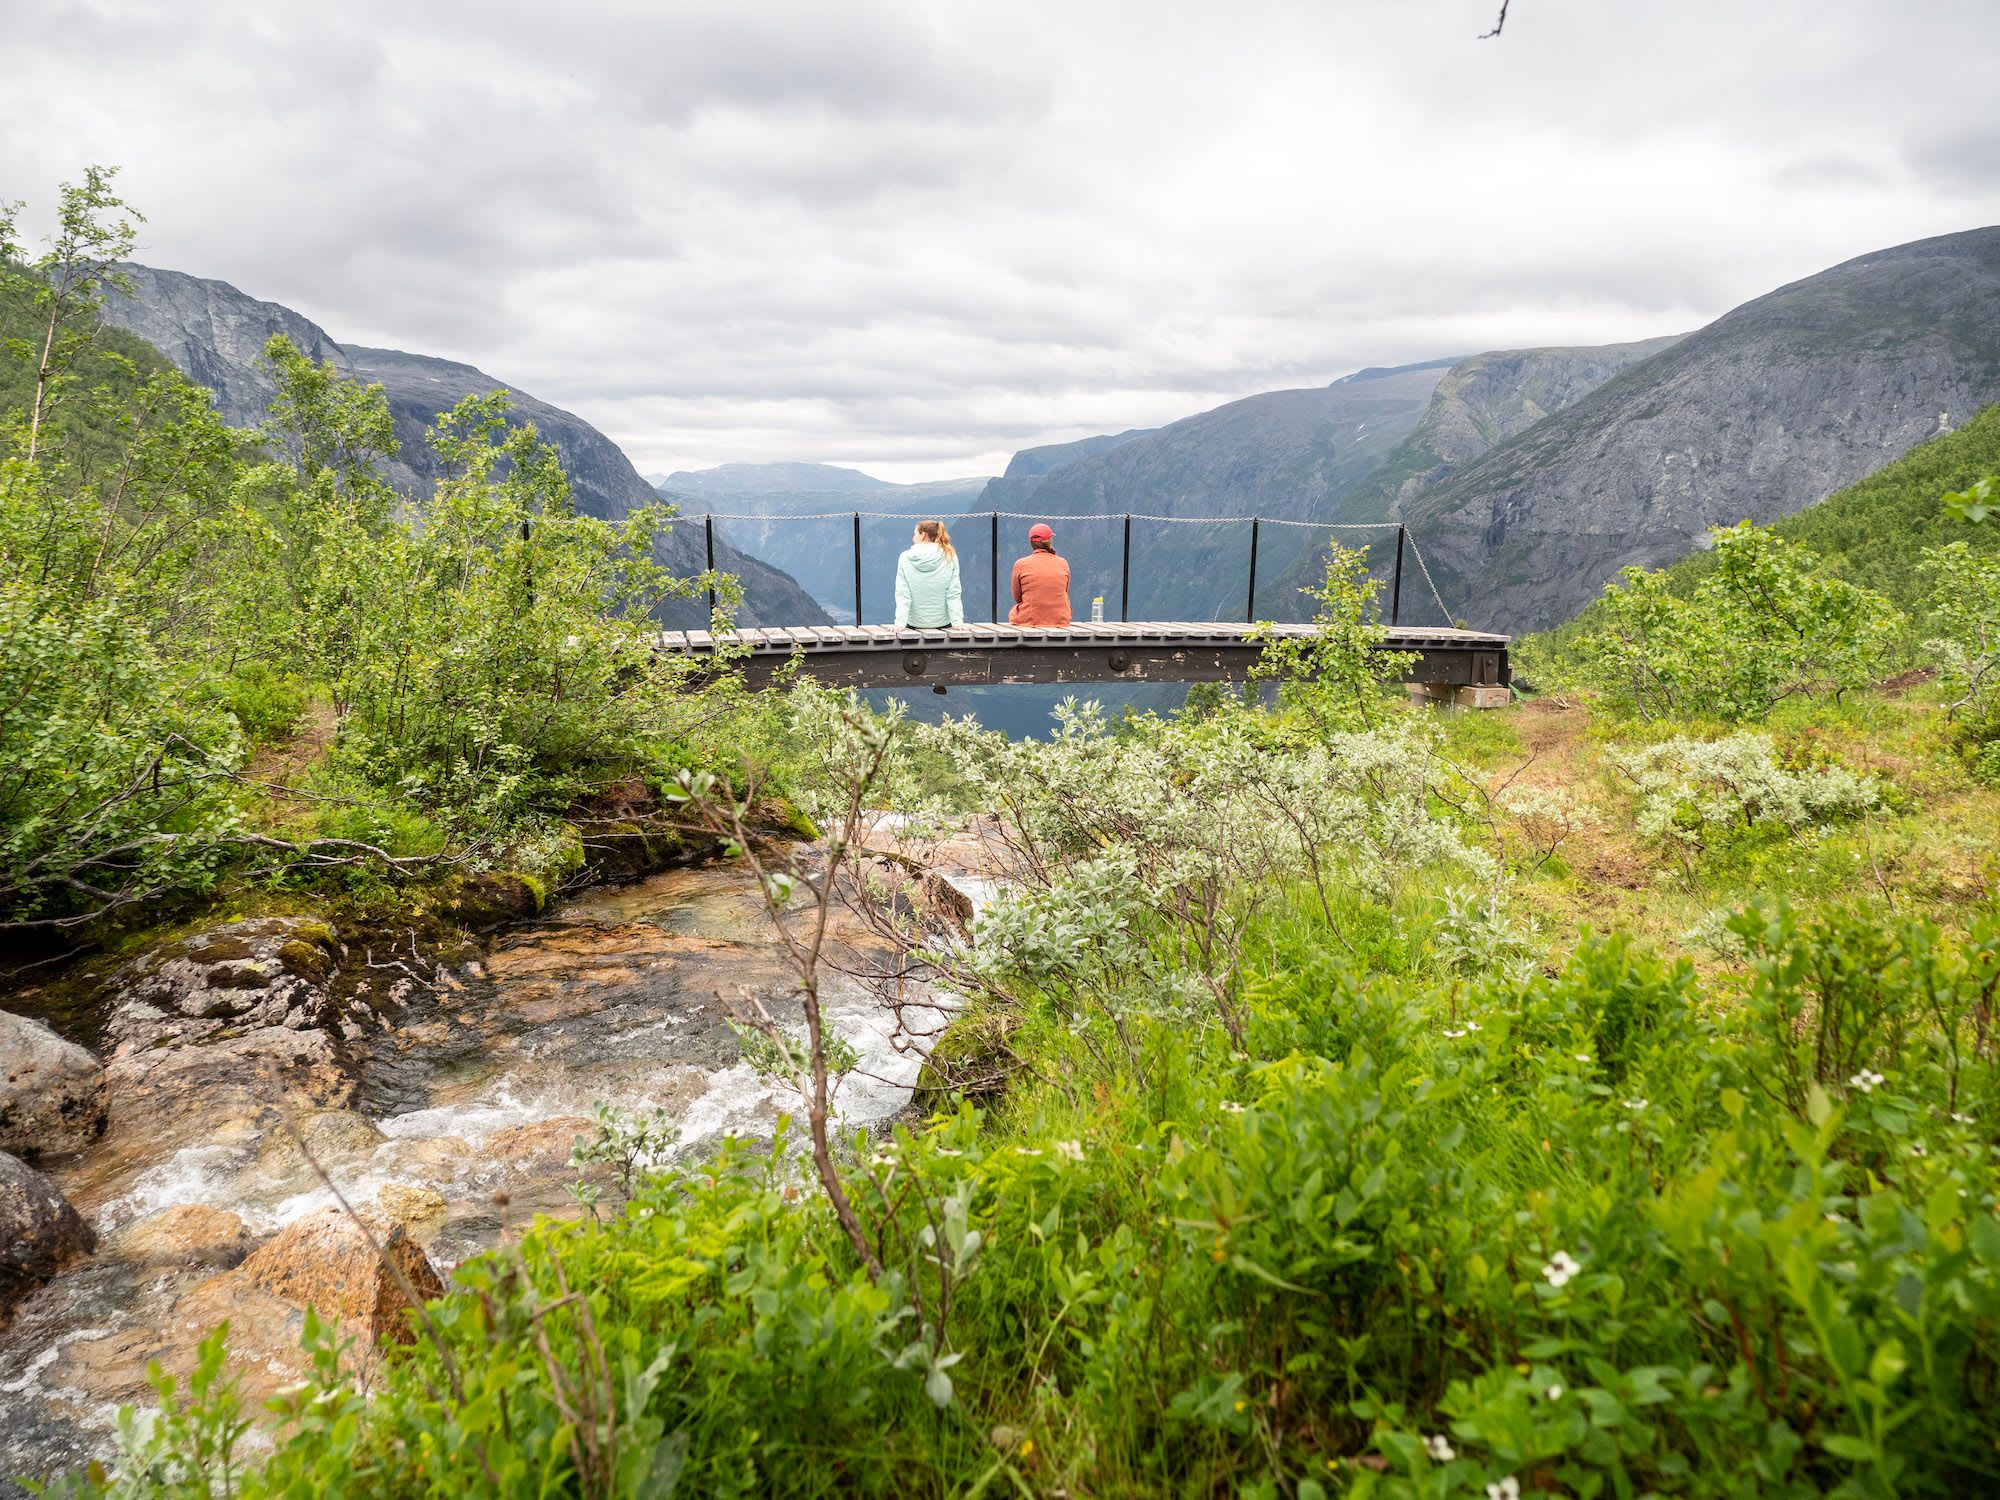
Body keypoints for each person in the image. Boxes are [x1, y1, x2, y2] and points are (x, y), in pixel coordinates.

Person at [893, 519, 964, 628]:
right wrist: (958, 622)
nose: (913, 538)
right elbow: (953, 593)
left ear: (923, 535)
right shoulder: (950, 556)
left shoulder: (905, 557)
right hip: (943, 623)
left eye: (915, 534)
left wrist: (899, 624)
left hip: (914, 624)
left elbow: (903, 594)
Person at [1009, 523, 1072, 626]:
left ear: (1031, 542)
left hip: (1030, 619)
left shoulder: (1020, 564)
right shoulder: (1063, 563)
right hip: (1060, 619)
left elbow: (1017, 598)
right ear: (1050, 541)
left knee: (1014, 613)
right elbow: (1064, 591)